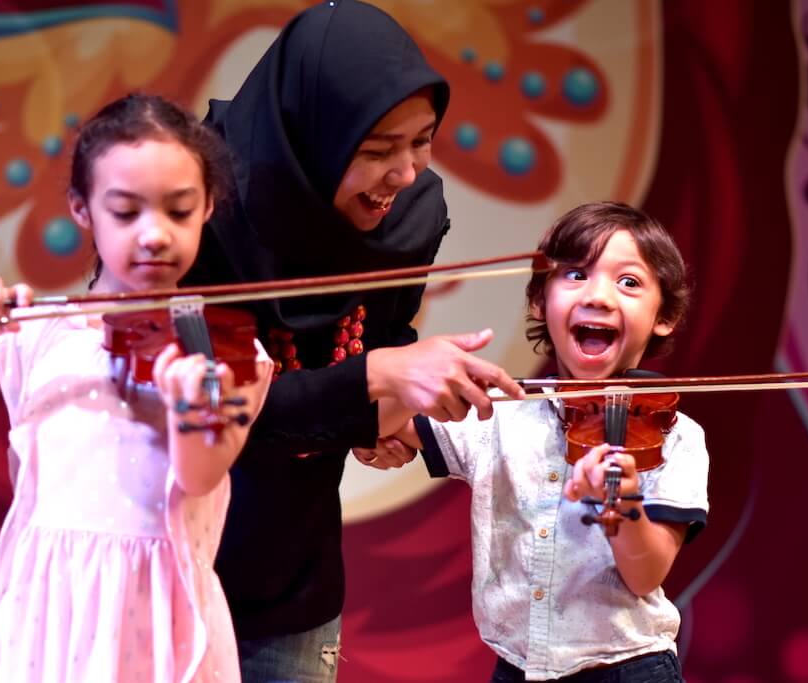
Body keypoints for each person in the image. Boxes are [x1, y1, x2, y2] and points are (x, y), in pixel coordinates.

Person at [0, 93, 273, 682]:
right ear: (82, 209)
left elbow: (200, 477)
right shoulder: (38, 331)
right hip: (44, 617)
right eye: (125, 212)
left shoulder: (226, 353)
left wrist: (188, 409)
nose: (155, 235)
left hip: (161, 621)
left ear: (207, 207)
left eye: (178, 211)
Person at [180, 0, 524, 679]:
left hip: (293, 582)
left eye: (422, 140)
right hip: (169, 577)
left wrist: (380, 420)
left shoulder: (410, 218)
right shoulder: (201, 204)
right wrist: (376, 381)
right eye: (376, 151)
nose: (406, 173)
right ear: (310, 134)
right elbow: (216, 416)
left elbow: (378, 343)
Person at [380, 201, 708, 681]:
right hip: (517, 667)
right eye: (576, 274)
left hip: (629, 668)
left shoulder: (675, 436)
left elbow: (645, 575)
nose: (599, 295)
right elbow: (383, 421)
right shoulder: (498, 412)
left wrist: (622, 504)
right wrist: (410, 379)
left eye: (628, 282)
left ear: (665, 316)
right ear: (539, 301)